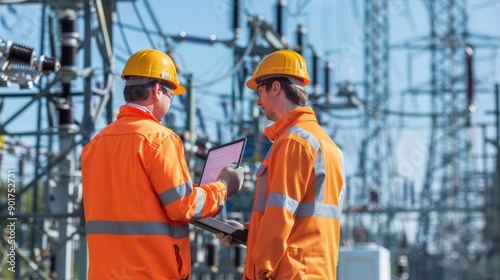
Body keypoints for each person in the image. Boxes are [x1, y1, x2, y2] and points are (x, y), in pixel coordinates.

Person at [81, 49, 245, 280]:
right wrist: (223, 186)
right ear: (158, 91)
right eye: (172, 94)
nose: (172, 100)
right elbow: (182, 205)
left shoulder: (95, 145)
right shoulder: (160, 139)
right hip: (151, 272)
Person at [217, 49, 345, 279]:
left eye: (259, 91)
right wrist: (247, 232)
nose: (258, 101)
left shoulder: (293, 141)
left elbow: (280, 215)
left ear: (275, 88)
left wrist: (258, 271)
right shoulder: (327, 144)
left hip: (289, 273)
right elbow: (302, 219)